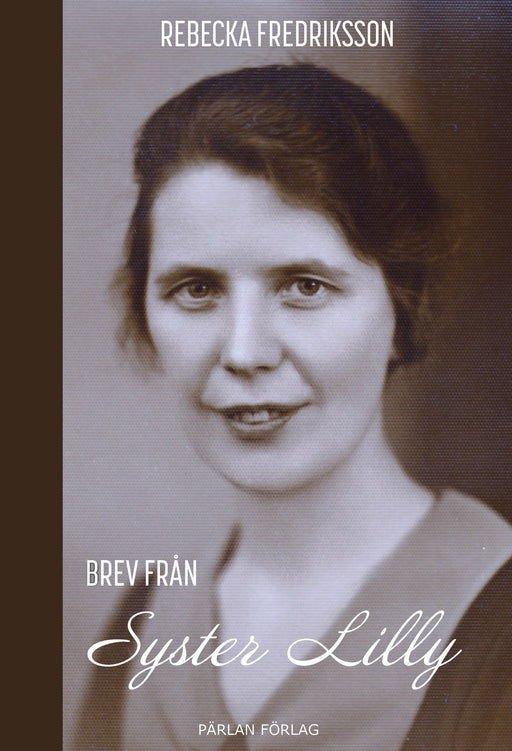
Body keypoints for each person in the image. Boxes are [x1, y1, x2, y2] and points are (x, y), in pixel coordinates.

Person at [74, 63, 512, 751]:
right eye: (196, 289)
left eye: (304, 285)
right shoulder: (143, 626)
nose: (244, 352)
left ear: (403, 309)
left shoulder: (494, 619)